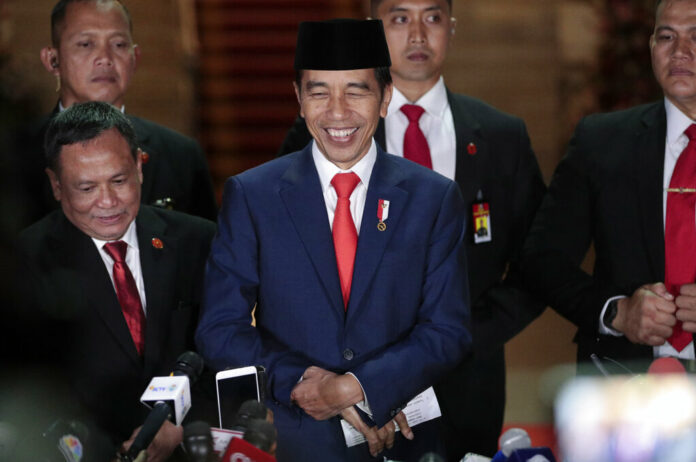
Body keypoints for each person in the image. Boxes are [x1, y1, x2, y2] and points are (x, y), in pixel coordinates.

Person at [278, 0, 547, 458]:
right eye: (399, 19)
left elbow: (539, 262)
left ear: (452, 28)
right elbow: (295, 270)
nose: (418, 35)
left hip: (469, 380)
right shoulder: (321, 133)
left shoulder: (503, 136)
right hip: (353, 386)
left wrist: (466, 335)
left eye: (433, 18)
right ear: (374, 29)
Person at [196, 18, 471, 461]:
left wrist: (361, 387)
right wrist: (308, 384)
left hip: (400, 432)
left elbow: (448, 330)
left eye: (357, 91)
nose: (337, 112)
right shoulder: (253, 195)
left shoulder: (433, 198)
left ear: (385, 98)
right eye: (319, 92)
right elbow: (219, 329)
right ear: (299, 99)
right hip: (296, 437)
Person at [15, 101, 216, 461]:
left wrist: (178, 425)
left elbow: (223, 352)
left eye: (119, 180)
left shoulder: (199, 241)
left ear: (139, 166)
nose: (108, 202)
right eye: (86, 188)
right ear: (56, 185)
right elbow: (31, 392)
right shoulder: (25, 264)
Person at [521, 0, 696, 371]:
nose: (681, 51)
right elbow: (541, 260)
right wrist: (616, 311)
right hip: (621, 384)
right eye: (667, 36)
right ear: (651, 47)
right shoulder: (601, 141)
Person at [14, 0, 217, 226]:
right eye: (85, 44)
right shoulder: (15, 153)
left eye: (119, 44)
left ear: (135, 58)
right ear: (52, 60)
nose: (105, 58)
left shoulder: (181, 156)